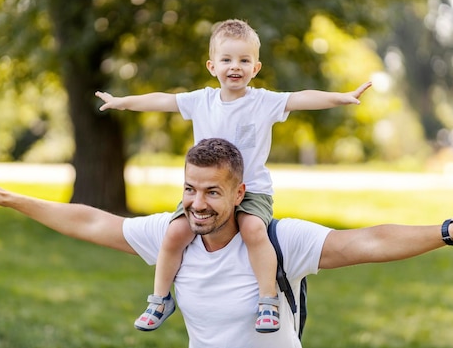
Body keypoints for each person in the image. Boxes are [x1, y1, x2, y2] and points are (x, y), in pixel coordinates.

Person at [0, 138, 453, 348]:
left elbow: (369, 241)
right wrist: (15, 201)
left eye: (211, 192)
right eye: (188, 189)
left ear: (239, 194)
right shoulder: (172, 234)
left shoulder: (278, 240)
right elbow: (90, 222)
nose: (197, 203)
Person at [95, 19, 372, 332]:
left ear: (256, 67)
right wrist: (122, 102)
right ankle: (160, 299)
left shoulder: (264, 102)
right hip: (208, 191)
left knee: (254, 230)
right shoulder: (201, 101)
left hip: (251, 190)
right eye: (227, 60)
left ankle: (268, 300)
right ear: (212, 66)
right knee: (174, 234)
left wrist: (343, 97)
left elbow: (302, 97)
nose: (235, 67)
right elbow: (161, 100)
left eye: (244, 60)